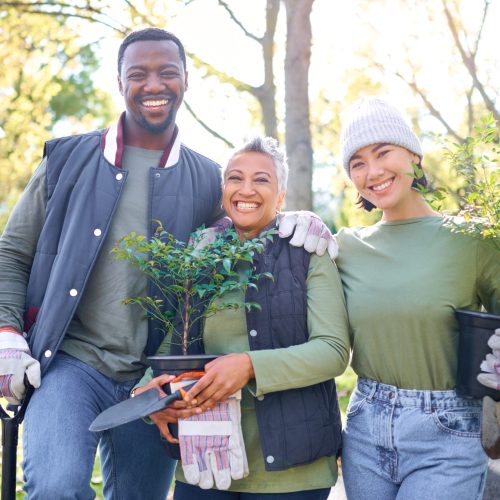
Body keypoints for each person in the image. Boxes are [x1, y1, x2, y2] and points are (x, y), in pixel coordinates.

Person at [0, 28, 333, 499]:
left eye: (167, 73)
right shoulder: (66, 159)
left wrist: (294, 219)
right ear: (120, 83)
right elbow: (12, 252)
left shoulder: (205, 177)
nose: (153, 85)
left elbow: (242, 233)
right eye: (138, 74)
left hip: (158, 377)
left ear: (185, 81)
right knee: (55, 488)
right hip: (71, 364)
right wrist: (6, 334)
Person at [135, 136, 350, 499]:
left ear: (281, 195)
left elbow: (333, 352)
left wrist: (249, 366)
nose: (245, 189)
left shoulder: (308, 253)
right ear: (224, 191)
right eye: (235, 178)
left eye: (261, 179)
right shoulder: (201, 258)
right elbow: (178, 341)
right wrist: (148, 397)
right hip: (204, 459)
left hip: (293, 470)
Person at [335, 97, 500, 500]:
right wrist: (293, 219)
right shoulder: (344, 247)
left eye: (383, 152)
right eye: (357, 163)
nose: (373, 171)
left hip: (448, 432)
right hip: (364, 428)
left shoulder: (473, 240)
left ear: (413, 155)